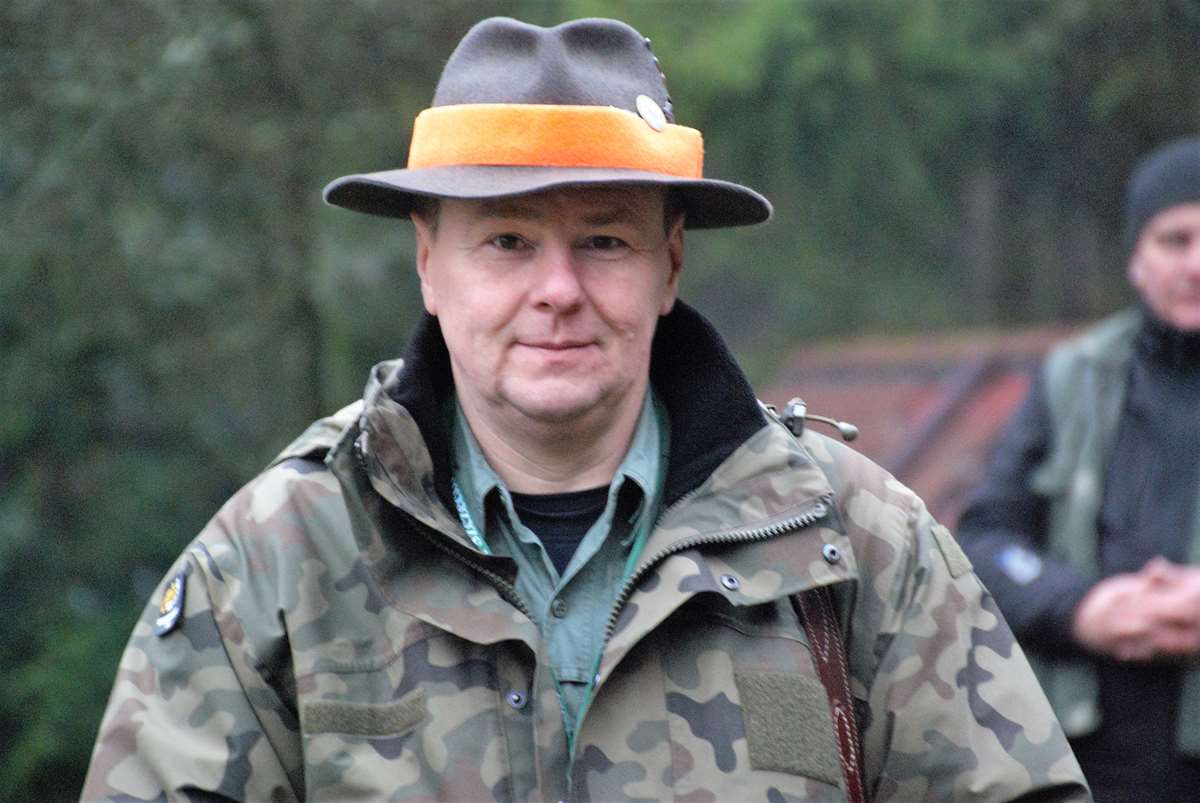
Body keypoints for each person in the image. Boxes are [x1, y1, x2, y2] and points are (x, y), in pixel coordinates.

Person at [83, 17, 1089, 802]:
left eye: (604, 241)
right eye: (508, 242)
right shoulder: (278, 555)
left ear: (670, 264)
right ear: (429, 263)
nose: (558, 290)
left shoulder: (852, 547)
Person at [957, 136, 1200, 801]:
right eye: (1175, 240)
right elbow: (985, 541)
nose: (1196, 264)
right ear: (1136, 258)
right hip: (1080, 765)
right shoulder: (1072, 379)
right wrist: (1081, 607)